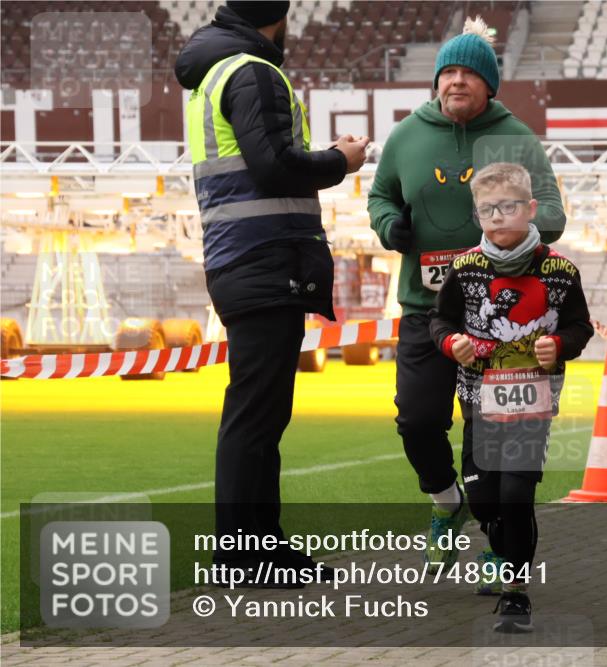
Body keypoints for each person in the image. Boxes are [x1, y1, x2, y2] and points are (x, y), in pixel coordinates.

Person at [176, 0, 369, 582]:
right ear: (281, 16)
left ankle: (260, 550)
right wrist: (341, 159)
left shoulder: (215, 71)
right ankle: (243, 557)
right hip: (263, 259)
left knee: (260, 413)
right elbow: (274, 166)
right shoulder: (251, 71)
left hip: (244, 258)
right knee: (256, 416)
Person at [368, 18, 565, 571]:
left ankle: (502, 555)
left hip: (501, 322)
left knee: (493, 442)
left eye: (468, 74)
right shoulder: (408, 135)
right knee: (416, 421)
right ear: (435, 80)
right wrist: (389, 226)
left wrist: (508, 228)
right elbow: (381, 195)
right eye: (447, 72)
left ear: (489, 85)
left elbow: (552, 213)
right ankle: (445, 501)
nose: (456, 81)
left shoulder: (517, 139)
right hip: (425, 312)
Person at [429, 162, 593, 633]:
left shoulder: (560, 271)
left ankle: (515, 594)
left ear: (531, 208)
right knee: (484, 501)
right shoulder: (465, 268)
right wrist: (450, 343)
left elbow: (579, 325)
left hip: (532, 403)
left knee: (517, 494)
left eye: (509, 207)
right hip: (478, 400)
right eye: (488, 209)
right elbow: (439, 321)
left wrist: (559, 345)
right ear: (477, 215)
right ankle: (497, 545)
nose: (499, 217)